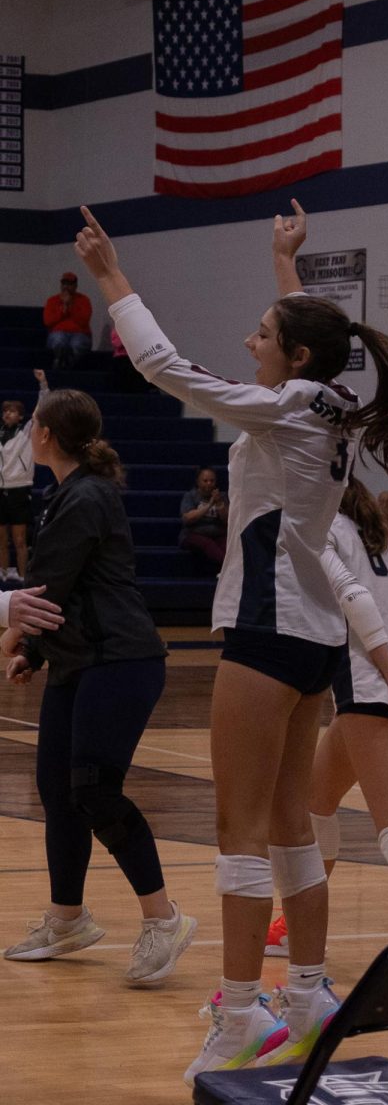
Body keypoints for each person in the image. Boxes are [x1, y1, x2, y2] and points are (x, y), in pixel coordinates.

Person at [73, 199, 388, 1083]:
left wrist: (112, 277)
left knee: (238, 829)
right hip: (314, 636)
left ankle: (241, 1014)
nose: (251, 340)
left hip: (269, 626)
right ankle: (309, 992)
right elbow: (319, 350)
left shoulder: (287, 411)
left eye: (263, 331)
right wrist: (289, 265)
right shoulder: (332, 404)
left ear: (296, 357)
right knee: (287, 826)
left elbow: (162, 365)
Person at [1, 388, 197, 983]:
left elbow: (48, 585)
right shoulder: (67, 493)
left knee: (93, 790)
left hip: (120, 659)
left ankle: (163, 918)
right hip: (79, 660)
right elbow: (66, 592)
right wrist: (33, 650)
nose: (28, 432)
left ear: (46, 435)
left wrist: (13, 637)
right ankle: (68, 918)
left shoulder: (85, 495)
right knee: (57, 789)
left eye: (33, 424)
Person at [265, 474, 388, 958]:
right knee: (313, 807)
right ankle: (293, 924)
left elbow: (355, 601)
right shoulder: (376, 536)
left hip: (368, 687)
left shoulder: (319, 529)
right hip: (387, 685)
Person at [0, 368, 49, 582]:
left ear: (20, 415)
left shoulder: (26, 432)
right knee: (1, 539)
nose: (7, 414)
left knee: (19, 539)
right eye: (5, 411)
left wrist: (43, 385)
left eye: (12, 411)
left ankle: (22, 576)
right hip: (1, 491)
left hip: (19, 489)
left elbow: (42, 410)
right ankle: (3, 573)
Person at [179, 467, 229, 571]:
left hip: (218, 534)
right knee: (207, 543)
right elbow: (188, 518)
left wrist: (219, 504)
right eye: (205, 481)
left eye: (212, 481)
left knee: (229, 545)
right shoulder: (191, 496)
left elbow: (227, 521)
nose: (209, 484)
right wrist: (210, 504)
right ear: (198, 481)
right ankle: (227, 569)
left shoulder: (222, 496)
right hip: (194, 534)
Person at [43, 272, 92, 369]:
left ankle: (64, 366)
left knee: (77, 344)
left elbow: (84, 320)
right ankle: (62, 364)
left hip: (80, 333)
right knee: (59, 341)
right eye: (64, 284)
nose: (66, 287)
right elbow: (48, 321)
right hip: (58, 332)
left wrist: (70, 306)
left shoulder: (84, 300)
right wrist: (63, 310)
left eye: (69, 284)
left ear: (75, 286)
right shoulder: (52, 300)